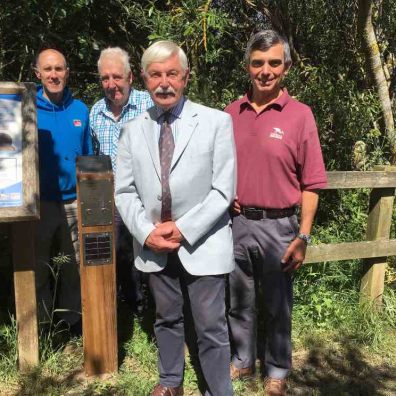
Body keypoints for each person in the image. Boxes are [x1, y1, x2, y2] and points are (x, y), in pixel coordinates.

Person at [115, 40, 236, 396]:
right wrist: (146, 232)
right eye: (156, 75)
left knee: (210, 325)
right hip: (154, 244)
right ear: (144, 79)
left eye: (171, 73)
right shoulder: (132, 129)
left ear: (185, 76)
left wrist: (182, 229)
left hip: (203, 241)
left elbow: (223, 191)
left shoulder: (216, 122)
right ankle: (171, 382)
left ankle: (218, 389)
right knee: (165, 318)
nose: (164, 82)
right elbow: (124, 191)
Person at [225, 30, 327, 395]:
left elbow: (312, 182)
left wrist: (303, 235)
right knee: (238, 302)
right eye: (257, 63)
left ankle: (278, 370)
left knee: (278, 306)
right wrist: (226, 197)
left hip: (280, 227)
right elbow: (218, 169)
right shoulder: (229, 114)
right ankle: (241, 361)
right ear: (247, 66)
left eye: (273, 63)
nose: (265, 71)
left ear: (285, 66)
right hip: (236, 225)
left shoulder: (300, 116)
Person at [90, 47, 153, 312]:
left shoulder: (149, 105)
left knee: (149, 248)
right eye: (105, 78)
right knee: (117, 251)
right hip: (110, 198)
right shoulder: (95, 113)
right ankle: (131, 303)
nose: (111, 84)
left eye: (117, 76)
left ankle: (157, 307)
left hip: (145, 196)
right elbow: (93, 156)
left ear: (129, 78)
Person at [34, 48, 93, 329]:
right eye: (48, 69)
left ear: (67, 73)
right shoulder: (28, 110)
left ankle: (70, 323)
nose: (54, 75)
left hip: (73, 202)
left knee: (73, 267)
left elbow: (87, 155)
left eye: (59, 69)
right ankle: (43, 325)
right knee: (40, 267)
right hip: (39, 204)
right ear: (38, 74)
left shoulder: (80, 109)